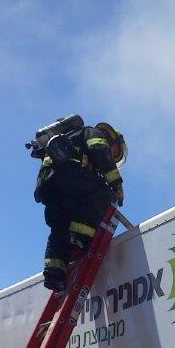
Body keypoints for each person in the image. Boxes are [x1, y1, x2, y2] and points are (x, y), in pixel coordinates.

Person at [33, 119, 126, 292]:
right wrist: (116, 185)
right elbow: (100, 152)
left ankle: (54, 273)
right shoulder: (94, 133)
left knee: (60, 227)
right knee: (103, 194)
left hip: (49, 187)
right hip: (69, 174)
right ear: (113, 140)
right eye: (115, 153)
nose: (112, 156)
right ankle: (80, 239)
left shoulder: (72, 137)